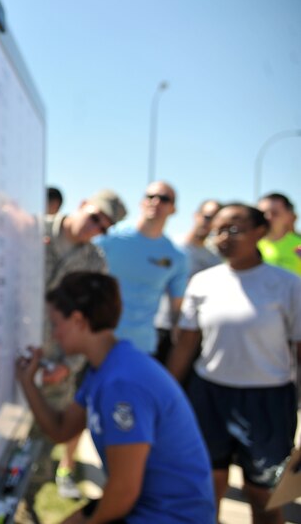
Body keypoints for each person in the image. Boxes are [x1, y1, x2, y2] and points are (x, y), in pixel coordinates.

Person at [18, 272, 215, 523]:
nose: (54, 334)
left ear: (78, 320)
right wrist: (28, 382)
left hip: (170, 514)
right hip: (149, 502)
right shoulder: (107, 365)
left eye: (56, 324)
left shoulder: (121, 383)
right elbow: (61, 430)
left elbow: (123, 491)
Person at [167, 203, 301, 524]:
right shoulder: (202, 282)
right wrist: (167, 396)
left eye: (235, 228)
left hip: (268, 402)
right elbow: (186, 345)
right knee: (208, 484)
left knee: (262, 494)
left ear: (259, 233)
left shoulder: (287, 285)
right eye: (219, 229)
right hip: (209, 397)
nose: (224, 236)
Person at [42, 189, 127, 498]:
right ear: (81, 205)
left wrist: (67, 366)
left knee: (41, 437)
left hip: (52, 360)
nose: (95, 229)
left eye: (103, 228)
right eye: (93, 218)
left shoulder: (94, 261)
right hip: (0, 347)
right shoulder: (31, 229)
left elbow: (92, 324)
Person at [96, 181, 188, 354]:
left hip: (141, 347)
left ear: (173, 209)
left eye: (164, 198)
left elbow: (177, 308)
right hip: (97, 340)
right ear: (141, 202)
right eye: (150, 196)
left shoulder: (177, 257)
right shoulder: (110, 236)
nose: (156, 202)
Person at [153, 199, 221, 363]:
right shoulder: (169, 246)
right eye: (206, 216)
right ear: (196, 215)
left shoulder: (215, 260)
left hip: (189, 331)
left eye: (215, 220)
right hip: (158, 325)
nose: (208, 223)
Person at [257, 192, 301, 276]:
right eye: (263, 214)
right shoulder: (249, 246)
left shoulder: (299, 245)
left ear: (288, 216)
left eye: (275, 213)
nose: (268, 218)